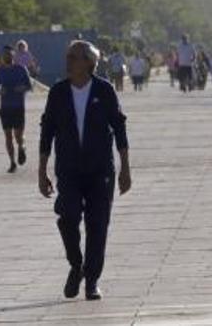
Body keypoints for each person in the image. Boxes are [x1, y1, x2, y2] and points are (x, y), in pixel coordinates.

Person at [38, 40, 132, 301]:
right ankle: (76, 264)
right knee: (67, 217)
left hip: (100, 169)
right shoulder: (58, 92)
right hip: (68, 170)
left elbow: (120, 128)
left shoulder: (104, 90)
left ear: (89, 63)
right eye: (68, 56)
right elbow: (47, 131)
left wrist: (125, 168)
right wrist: (41, 169)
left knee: (97, 225)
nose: (68, 61)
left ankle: (91, 280)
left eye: (74, 57)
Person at [0, 46, 34, 173]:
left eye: (10, 55)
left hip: (18, 106)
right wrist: (0, 91)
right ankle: (12, 162)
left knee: (18, 136)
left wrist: (22, 88)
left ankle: (22, 147)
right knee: (8, 136)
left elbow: (29, 86)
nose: (8, 57)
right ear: (2, 57)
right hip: (5, 107)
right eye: (5, 55)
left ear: (13, 56)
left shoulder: (21, 69)